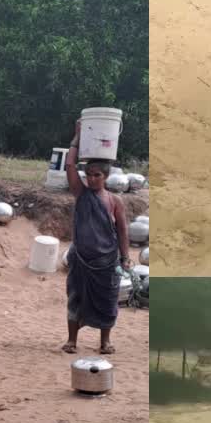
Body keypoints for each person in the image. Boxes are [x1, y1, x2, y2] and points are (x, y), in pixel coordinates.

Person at [62, 119, 131, 355]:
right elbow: (70, 166)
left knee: (107, 301)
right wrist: (77, 138)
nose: (91, 179)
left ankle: (105, 342)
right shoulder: (81, 193)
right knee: (75, 298)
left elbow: (122, 230)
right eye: (89, 174)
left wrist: (125, 258)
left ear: (106, 176)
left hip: (106, 262)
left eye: (97, 175)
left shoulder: (114, 201)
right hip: (81, 258)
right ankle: (72, 340)